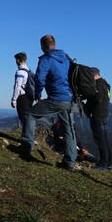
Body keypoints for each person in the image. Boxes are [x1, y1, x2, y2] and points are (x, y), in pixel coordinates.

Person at [21, 35, 77, 170]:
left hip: (55, 98)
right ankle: (70, 162)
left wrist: (38, 94)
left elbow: (40, 79)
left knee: (30, 115)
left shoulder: (46, 59)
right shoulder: (66, 58)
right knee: (68, 129)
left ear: (43, 46)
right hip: (69, 99)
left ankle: (27, 149)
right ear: (54, 44)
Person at [84, 67, 112, 171]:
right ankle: (108, 163)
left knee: (100, 141)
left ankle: (103, 164)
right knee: (105, 141)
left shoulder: (98, 85)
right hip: (104, 115)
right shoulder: (106, 85)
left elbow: (98, 99)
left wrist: (88, 103)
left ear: (94, 74)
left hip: (97, 115)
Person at [11, 52, 33, 136]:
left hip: (22, 97)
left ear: (18, 60)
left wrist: (13, 99)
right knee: (27, 117)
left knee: (23, 117)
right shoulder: (29, 71)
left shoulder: (20, 72)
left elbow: (17, 86)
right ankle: (28, 136)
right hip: (29, 97)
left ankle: (26, 137)